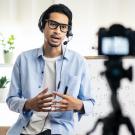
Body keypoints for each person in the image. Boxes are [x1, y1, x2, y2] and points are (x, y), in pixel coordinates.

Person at [6, 4, 95, 135]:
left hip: (59, 130)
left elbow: (90, 103)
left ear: (67, 32)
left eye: (63, 27)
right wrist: (29, 104)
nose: (58, 31)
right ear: (43, 25)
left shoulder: (79, 61)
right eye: (53, 24)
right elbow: (11, 100)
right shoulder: (23, 59)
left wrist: (78, 105)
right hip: (24, 129)